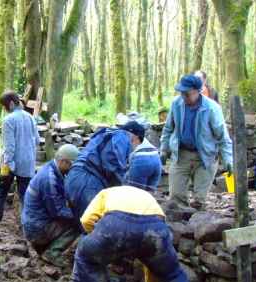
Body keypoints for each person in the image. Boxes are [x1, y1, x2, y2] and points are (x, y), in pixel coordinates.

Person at [74, 186, 202, 282]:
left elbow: (86, 220)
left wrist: (102, 245)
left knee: (87, 259)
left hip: (114, 225)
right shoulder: (146, 197)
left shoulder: (105, 193)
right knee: (172, 276)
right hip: (155, 229)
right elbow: (152, 269)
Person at [160, 74, 233, 210]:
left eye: (187, 94)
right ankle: (180, 227)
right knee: (176, 199)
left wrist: (228, 159)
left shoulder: (212, 108)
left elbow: (223, 137)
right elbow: (168, 128)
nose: (184, 97)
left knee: (199, 200)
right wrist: (164, 150)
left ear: (197, 92)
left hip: (205, 156)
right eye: (182, 93)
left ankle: (199, 227)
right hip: (181, 155)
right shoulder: (177, 104)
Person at [65, 121, 145, 220]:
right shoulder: (123, 137)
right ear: (136, 138)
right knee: (95, 224)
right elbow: (112, 164)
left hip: (74, 176)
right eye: (137, 145)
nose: (134, 149)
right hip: (88, 182)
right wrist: (124, 190)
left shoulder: (107, 133)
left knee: (82, 223)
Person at [21, 144, 80, 267]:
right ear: (63, 161)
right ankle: (52, 253)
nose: (73, 169)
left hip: (34, 222)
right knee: (79, 224)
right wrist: (80, 215)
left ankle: (44, 248)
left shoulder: (51, 169)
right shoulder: (49, 179)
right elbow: (58, 211)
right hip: (36, 228)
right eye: (72, 165)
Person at [0, 91, 40, 225]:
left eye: (4, 106)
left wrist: (7, 164)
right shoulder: (30, 117)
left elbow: (9, 147)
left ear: (11, 104)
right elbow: (36, 140)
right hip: (28, 163)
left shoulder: (8, 120)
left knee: (1, 190)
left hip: (11, 163)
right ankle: (28, 226)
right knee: (25, 197)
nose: (4, 109)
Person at [124, 123, 162, 192]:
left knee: (136, 194)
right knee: (150, 194)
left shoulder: (130, 141)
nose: (123, 134)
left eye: (125, 132)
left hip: (141, 159)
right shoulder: (144, 140)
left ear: (134, 135)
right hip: (156, 158)